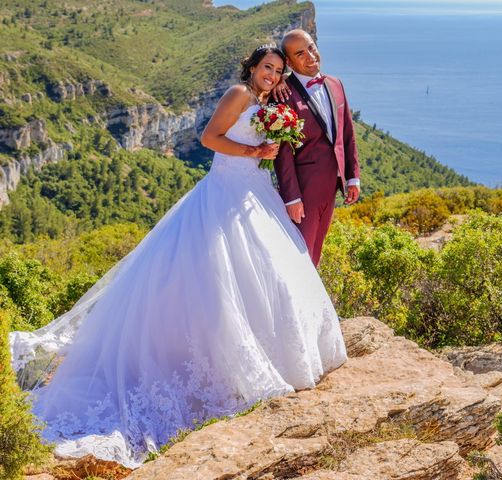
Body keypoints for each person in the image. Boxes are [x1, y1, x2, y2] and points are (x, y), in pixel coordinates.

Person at [9, 45, 347, 468]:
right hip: (223, 193)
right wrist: (252, 153)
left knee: (269, 274)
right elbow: (209, 138)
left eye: (278, 70)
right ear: (253, 68)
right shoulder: (239, 95)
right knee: (216, 279)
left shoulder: (266, 102)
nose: (272, 75)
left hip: (255, 196)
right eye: (267, 67)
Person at [273, 29, 361, 267]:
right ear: (289, 62)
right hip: (303, 189)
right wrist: (292, 197)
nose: (310, 56)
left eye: (311, 47)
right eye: (300, 53)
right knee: (300, 256)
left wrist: (352, 178)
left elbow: (347, 133)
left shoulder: (336, 84)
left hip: (331, 187)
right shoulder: (283, 93)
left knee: (316, 253)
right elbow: (282, 152)